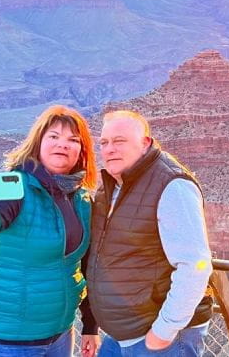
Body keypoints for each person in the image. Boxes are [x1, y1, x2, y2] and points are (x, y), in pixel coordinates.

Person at [0, 105, 102, 357]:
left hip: (60, 331)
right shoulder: (16, 191)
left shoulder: (82, 200)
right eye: (54, 136)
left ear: (81, 151)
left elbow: (86, 266)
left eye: (73, 140)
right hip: (10, 338)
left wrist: (90, 326)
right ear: (38, 143)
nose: (63, 144)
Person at [88, 110, 213, 357]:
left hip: (156, 337)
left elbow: (195, 265)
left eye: (119, 141)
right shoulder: (113, 185)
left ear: (145, 143)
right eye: (104, 143)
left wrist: (162, 333)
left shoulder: (172, 185)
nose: (110, 149)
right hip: (122, 332)